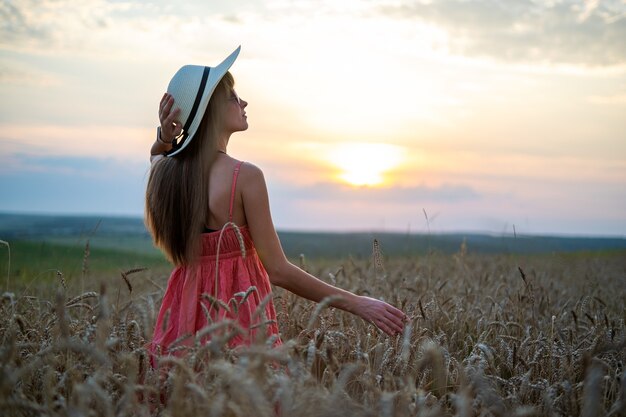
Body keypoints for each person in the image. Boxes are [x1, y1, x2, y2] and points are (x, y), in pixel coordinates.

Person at [145, 46, 406, 358]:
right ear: (211, 110)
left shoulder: (167, 175)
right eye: (232, 97)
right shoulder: (245, 176)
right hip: (236, 327)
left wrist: (165, 137)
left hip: (180, 327)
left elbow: (158, 155)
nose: (243, 102)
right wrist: (361, 303)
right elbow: (278, 271)